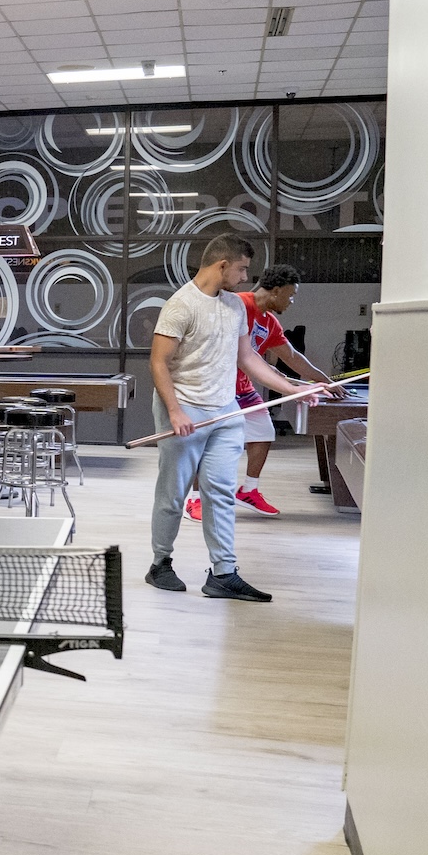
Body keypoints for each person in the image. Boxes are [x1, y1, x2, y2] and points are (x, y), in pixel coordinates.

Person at [145, 236, 312, 601]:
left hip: (225, 412)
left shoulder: (235, 306)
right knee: (173, 494)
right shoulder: (180, 306)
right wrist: (174, 411)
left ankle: (223, 573)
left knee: (219, 493)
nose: (245, 276)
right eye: (242, 268)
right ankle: (160, 563)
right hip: (185, 409)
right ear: (222, 265)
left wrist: (293, 389)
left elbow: (249, 359)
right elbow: (158, 362)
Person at [184, 264, 335, 521]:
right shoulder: (236, 305)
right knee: (207, 444)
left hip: (242, 387)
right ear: (275, 291)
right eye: (290, 295)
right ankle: (195, 500)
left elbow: (292, 357)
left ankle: (248, 491)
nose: (291, 301)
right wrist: (293, 387)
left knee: (264, 432)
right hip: (215, 387)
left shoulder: (270, 322)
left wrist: (326, 381)